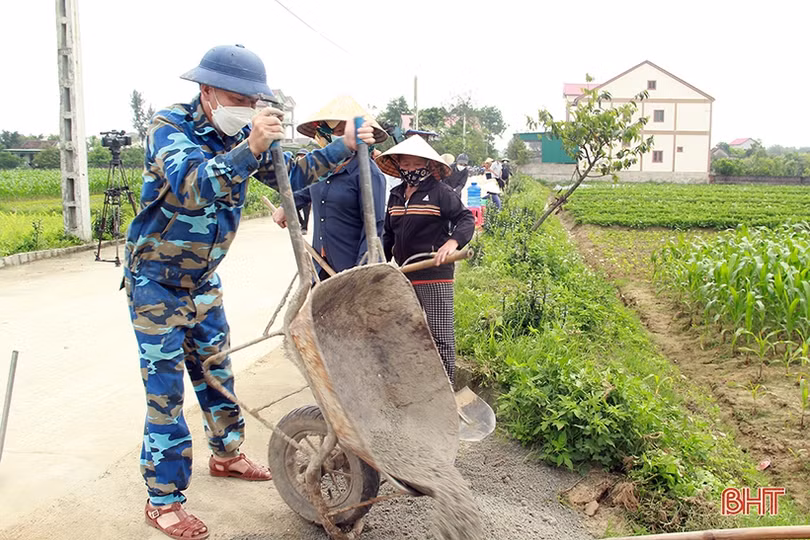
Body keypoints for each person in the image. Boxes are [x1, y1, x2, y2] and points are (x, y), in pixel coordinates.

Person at [123, 44, 376, 540]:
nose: (244, 105)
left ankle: (226, 454)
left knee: (216, 371)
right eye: (235, 97)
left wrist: (343, 146)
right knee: (166, 393)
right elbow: (193, 185)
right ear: (206, 91)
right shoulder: (168, 128)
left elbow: (290, 176)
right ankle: (164, 499)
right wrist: (252, 146)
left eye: (251, 98)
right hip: (156, 284)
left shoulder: (243, 130)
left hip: (203, 281)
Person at [377, 136, 475, 386]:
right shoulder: (396, 195)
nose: (409, 169)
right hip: (404, 275)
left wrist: (452, 243)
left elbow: (466, 219)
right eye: (405, 165)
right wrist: (378, 263)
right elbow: (389, 234)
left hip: (434, 273)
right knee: (407, 334)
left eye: (414, 164)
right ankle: (416, 386)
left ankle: (446, 391)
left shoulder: (441, 192)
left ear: (428, 165)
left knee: (440, 335)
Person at [272, 95, 389, 278]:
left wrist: (362, 275)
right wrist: (287, 206)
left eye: (347, 130)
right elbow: (306, 189)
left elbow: (373, 230)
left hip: (350, 269)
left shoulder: (369, 175)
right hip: (320, 266)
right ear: (325, 133)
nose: (344, 136)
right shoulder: (321, 169)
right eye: (339, 131)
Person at [295, 148, 312, 233]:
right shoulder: (295, 168)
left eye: (303, 155)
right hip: (297, 193)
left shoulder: (311, 168)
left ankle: (305, 227)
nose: (301, 157)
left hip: (307, 192)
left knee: (306, 211)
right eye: (300, 155)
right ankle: (301, 223)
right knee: (294, 207)